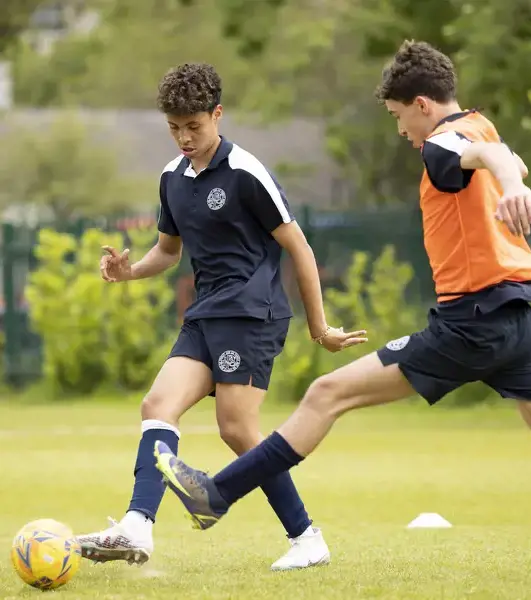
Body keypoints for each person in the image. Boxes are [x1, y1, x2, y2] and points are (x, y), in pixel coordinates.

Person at [153, 40, 531, 535]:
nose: (401, 129)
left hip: (472, 323)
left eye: (397, 115)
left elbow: (488, 156)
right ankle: (217, 496)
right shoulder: (481, 123)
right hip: (516, 321)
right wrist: (515, 178)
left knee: (326, 393)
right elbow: (504, 155)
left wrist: (512, 184)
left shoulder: (443, 142)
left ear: (422, 105)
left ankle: (216, 494)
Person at [76, 62, 367, 571]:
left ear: (217, 114)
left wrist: (319, 326)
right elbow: (168, 252)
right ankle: (137, 527)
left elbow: (298, 247)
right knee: (157, 405)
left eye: (194, 126)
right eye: (174, 128)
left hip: (253, 313)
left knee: (236, 428)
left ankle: (306, 538)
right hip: (206, 313)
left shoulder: (247, 173)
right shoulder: (171, 178)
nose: (184, 138)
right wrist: (129, 272)